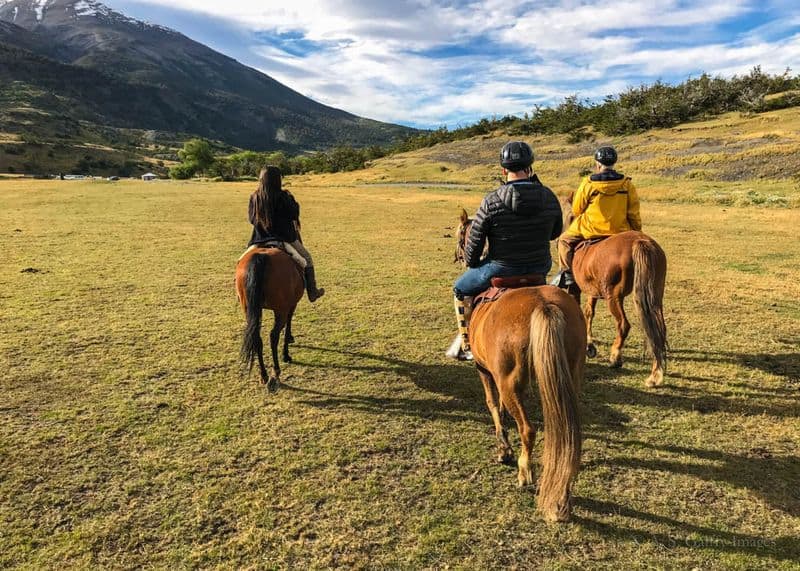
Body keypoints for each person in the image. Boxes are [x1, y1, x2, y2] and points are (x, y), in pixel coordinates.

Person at [449, 141, 563, 361]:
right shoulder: (548, 196)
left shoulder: (491, 200)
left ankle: (466, 344)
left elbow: (473, 250)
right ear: (530, 167)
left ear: (503, 170)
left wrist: (474, 261)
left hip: (501, 268)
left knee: (460, 289)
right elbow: (555, 233)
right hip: (539, 268)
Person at [552, 146, 642, 290]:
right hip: (620, 230)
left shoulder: (588, 183)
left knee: (563, 241)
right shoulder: (626, 184)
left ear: (598, 164)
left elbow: (576, 209)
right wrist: (637, 230)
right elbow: (633, 213)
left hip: (590, 229)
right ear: (614, 163)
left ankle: (567, 274)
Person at [248, 166, 325, 302]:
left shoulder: (255, 197)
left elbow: (252, 220)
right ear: (277, 180)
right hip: (283, 238)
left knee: (242, 262)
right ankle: (312, 292)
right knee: (307, 258)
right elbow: (293, 214)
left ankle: (241, 292)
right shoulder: (284, 196)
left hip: (259, 239)